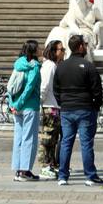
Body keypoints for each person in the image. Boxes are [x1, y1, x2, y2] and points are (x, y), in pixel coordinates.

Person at [53, 33, 103, 186]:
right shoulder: (88, 66)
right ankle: (90, 176)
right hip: (85, 108)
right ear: (81, 47)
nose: (87, 47)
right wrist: (96, 106)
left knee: (66, 142)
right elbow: (97, 90)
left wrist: (62, 103)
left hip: (67, 109)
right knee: (86, 143)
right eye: (85, 45)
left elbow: (56, 89)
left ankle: (63, 175)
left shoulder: (61, 66)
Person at [7, 39, 42, 182]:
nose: (41, 50)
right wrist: (20, 104)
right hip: (29, 106)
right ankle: (25, 171)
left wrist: (13, 104)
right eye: (38, 48)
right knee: (29, 138)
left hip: (16, 107)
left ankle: (17, 170)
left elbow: (11, 86)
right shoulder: (34, 66)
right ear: (33, 51)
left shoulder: (18, 64)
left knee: (19, 138)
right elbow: (29, 88)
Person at [37, 39, 63, 178]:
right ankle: (45, 165)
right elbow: (44, 86)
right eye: (61, 49)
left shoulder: (53, 65)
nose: (63, 52)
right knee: (48, 138)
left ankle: (51, 164)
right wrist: (40, 102)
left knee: (53, 138)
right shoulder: (50, 66)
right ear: (54, 51)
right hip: (49, 106)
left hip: (53, 106)